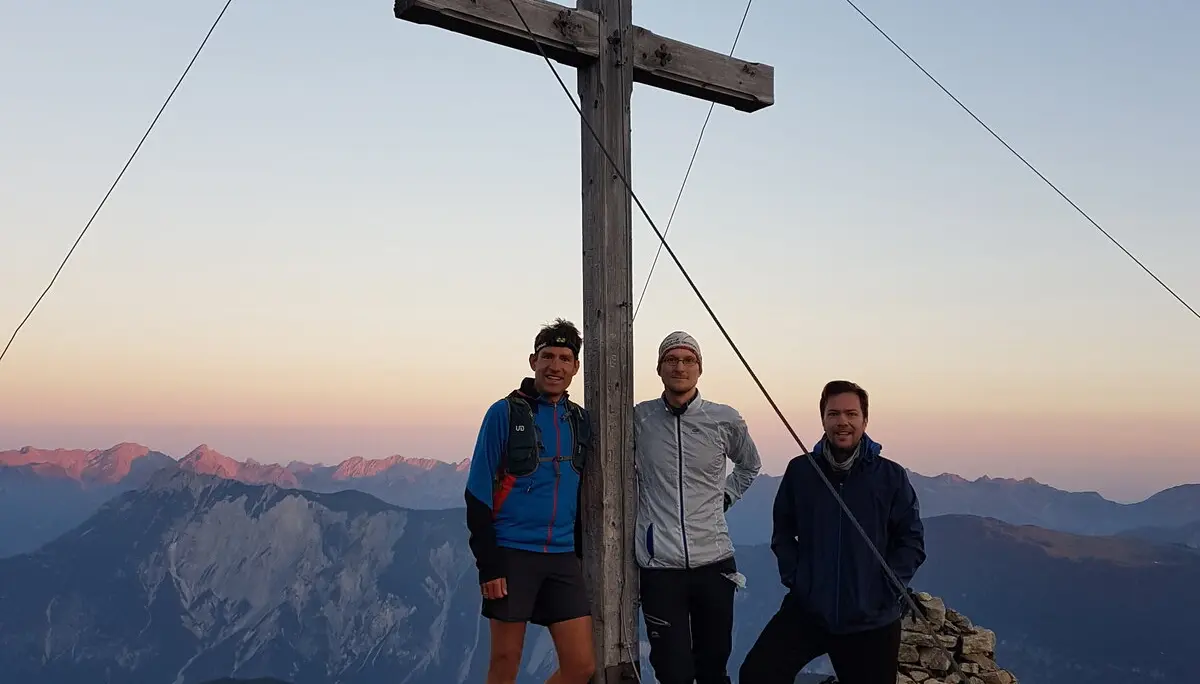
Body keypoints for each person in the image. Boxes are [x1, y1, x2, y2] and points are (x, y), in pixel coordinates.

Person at [738, 380, 926, 684]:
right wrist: (800, 581)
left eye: (851, 414)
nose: (843, 422)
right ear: (823, 419)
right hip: (811, 610)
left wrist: (886, 589)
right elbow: (783, 533)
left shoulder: (890, 476)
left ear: (865, 420)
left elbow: (911, 540)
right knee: (758, 674)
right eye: (834, 414)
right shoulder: (801, 471)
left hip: (871, 618)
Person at [464, 318, 595, 684]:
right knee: (505, 663)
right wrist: (489, 566)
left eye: (565, 358)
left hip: (561, 555)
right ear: (533, 361)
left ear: (575, 367)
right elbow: (477, 493)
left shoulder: (579, 421)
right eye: (547, 356)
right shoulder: (504, 413)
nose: (555, 366)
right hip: (511, 553)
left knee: (581, 666)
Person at [632, 331, 763, 684]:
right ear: (659, 368)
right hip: (660, 568)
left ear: (700, 369)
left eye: (688, 360)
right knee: (672, 672)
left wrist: (725, 498)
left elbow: (750, 465)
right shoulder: (637, 420)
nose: (680, 366)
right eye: (671, 359)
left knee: (713, 669)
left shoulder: (724, 419)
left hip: (715, 565)